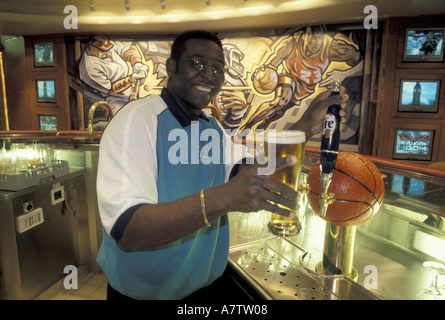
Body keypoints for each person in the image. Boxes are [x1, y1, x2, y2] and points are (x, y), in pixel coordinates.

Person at [96, 30, 348, 300]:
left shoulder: (210, 127)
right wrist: (223, 198)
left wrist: (306, 126)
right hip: (146, 296)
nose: (209, 74)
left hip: (207, 287)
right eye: (197, 63)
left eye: (217, 67)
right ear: (171, 67)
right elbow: (129, 229)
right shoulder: (138, 120)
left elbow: (258, 172)